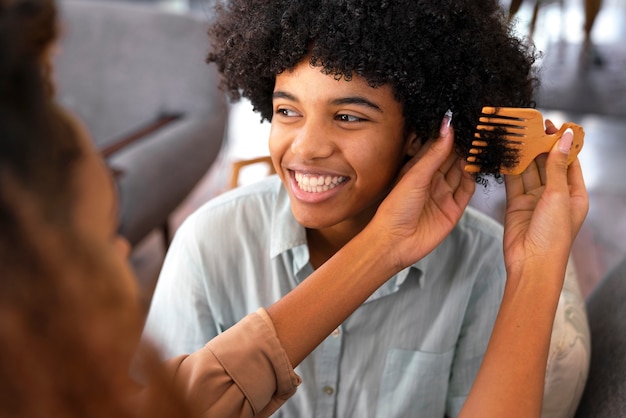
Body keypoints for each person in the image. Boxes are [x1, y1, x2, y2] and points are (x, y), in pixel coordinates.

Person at [1, 0, 588, 416]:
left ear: (419, 132)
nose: (304, 147)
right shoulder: (211, 242)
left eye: (350, 115)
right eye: (287, 110)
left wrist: (534, 267)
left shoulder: (479, 266)